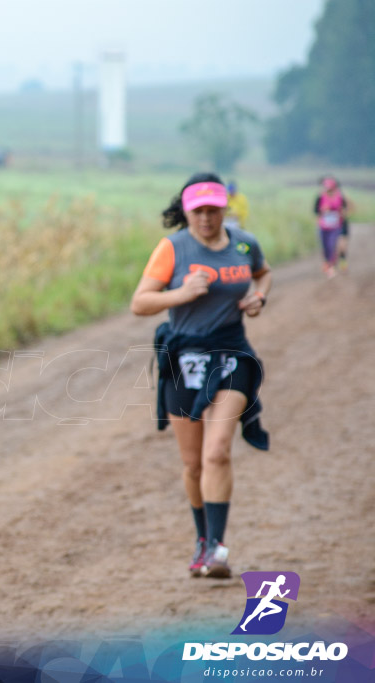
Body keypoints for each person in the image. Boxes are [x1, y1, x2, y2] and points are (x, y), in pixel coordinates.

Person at [130, 172, 272, 580]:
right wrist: (182, 293)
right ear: (186, 211)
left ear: (225, 208)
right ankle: (201, 539)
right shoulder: (173, 248)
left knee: (217, 453)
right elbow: (139, 303)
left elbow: (263, 273)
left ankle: (217, 549)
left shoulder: (244, 243)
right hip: (184, 356)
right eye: (198, 211)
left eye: (213, 209)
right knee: (193, 464)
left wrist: (259, 295)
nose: (207, 218)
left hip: (232, 353)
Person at [314, 175, 351, 276]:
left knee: (334, 246)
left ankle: (333, 266)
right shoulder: (320, 197)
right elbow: (316, 211)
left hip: (336, 226)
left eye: (330, 188)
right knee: (325, 247)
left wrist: (341, 212)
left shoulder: (340, 197)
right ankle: (328, 264)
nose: (328, 190)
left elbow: (345, 210)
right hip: (324, 227)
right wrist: (323, 211)